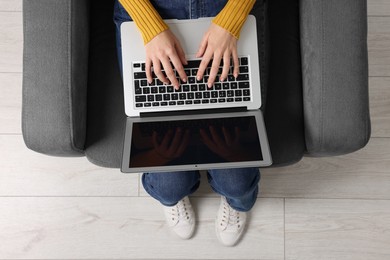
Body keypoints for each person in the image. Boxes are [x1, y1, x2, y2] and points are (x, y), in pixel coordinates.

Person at [113, 0, 260, 247]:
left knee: (237, 184)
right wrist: (151, 28)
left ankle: (235, 202)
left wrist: (232, 19)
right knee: (169, 185)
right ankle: (175, 196)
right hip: (151, 11)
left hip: (227, 10)